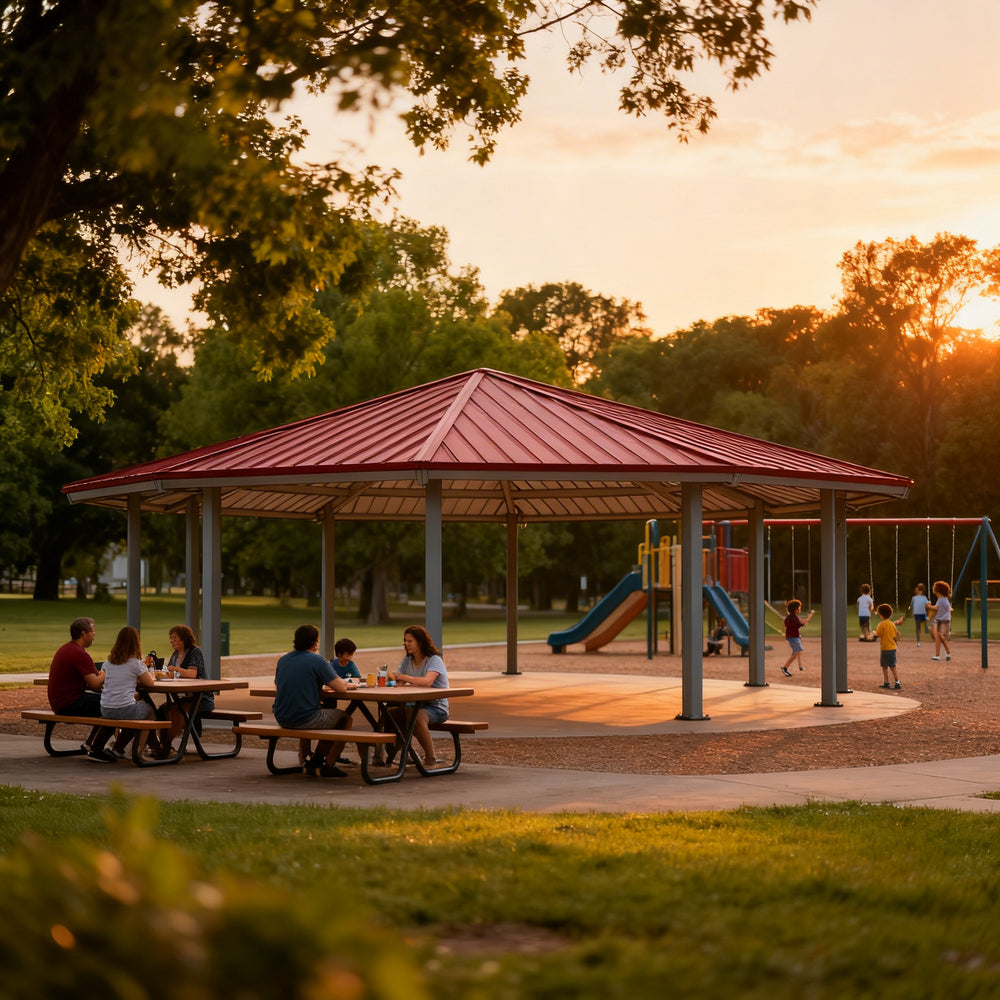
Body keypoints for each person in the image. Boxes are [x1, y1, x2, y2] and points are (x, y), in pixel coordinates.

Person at [272, 624, 354, 778]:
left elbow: (278, 684)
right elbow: (341, 688)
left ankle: (307, 760)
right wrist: (347, 683)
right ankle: (325, 763)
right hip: (304, 718)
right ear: (315, 642)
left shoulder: (283, 660)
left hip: (282, 716)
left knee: (316, 709)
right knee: (344, 718)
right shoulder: (317, 660)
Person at [46, 616, 116, 762]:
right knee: (113, 706)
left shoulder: (66, 649)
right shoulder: (78, 653)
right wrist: (105, 671)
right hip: (69, 703)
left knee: (106, 702)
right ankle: (97, 749)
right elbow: (95, 684)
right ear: (83, 633)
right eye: (92, 630)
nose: (94, 634)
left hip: (60, 702)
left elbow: (90, 685)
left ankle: (90, 744)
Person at [386, 625, 449, 767]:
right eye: (405, 641)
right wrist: (395, 678)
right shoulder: (407, 660)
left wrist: (403, 677)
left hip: (436, 707)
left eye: (410, 641)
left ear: (420, 642)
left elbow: (427, 682)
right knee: (390, 715)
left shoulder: (434, 660)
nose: (406, 644)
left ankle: (430, 757)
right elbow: (399, 680)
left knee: (415, 716)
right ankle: (404, 753)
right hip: (412, 704)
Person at [100, 625, 157, 757]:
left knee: (135, 712)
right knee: (149, 711)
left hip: (105, 708)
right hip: (123, 708)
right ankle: (140, 751)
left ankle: (119, 748)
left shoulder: (108, 663)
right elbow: (150, 683)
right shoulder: (135, 664)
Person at [157, 625, 213, 756]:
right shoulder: (175, 654)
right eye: (171, 638)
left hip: (201, 699)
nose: (172, 641)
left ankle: (165, 747)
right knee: (162, 710)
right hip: (183, 698)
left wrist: (176, 670)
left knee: (177, 711)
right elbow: (170, 672)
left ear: (184, 639)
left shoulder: (195, 652)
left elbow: (193, 674)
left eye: (175, 638)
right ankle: (163, 744)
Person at [874, 603, 905, 690]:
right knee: (893, 666)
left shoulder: (881, 624)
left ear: (880, 614)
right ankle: (897, 681)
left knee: (884, 666)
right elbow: (897, 634)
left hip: (884, 648)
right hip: (892, 648)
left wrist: (873, 633)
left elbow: (878, 634)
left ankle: (886, 682)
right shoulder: (892, 624)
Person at [780, 599, 815, 676]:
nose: (799, 609)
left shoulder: (791, 617)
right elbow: (804, 622)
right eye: (798, 608)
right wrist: (811, 614)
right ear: (795, 609)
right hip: (793, 638)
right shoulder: (793, 618)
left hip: (794, 637)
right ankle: (785, 668)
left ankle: (800, 666)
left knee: (799, 651)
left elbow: (801, 622)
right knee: (796, 653)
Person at [929, 580, 953, 661]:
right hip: (939, 619)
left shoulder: (941, 600)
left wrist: (928, 606)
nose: (933, 589)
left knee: (939, 637)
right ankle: (947, 652)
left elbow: (936, 608)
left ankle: (938, 655)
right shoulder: (943, 599)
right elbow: (947, 608)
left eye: (934, 588)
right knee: (934, 631)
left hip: (942, 620)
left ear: (938, 591)